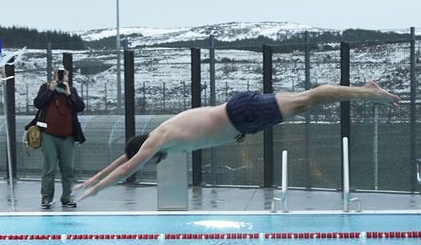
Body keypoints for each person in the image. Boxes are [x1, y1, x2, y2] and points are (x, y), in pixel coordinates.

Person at [76, 80, 399, 201]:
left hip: (242, 115)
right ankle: (366, 92)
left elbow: (129, 166)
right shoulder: (160, 136)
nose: (150, 162)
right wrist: (92, 177)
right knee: (307, 99)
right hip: (242, 116)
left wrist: (95, 190)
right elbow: (124, 158)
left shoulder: (158, 141)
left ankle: (368, 93)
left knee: (309, 99)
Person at [33, 68, 86, 209]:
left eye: (65, 75)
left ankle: (67, 197)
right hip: (48, 134)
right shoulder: (45, 88)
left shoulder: (71, 90)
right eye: (60, 75)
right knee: (49, 168)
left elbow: (80, 107)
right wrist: (50, 90)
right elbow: (38, 103)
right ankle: (46, 197)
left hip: (67, 136)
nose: (63, 78)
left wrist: (69, 94)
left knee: (68, 168)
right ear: (54, 76)